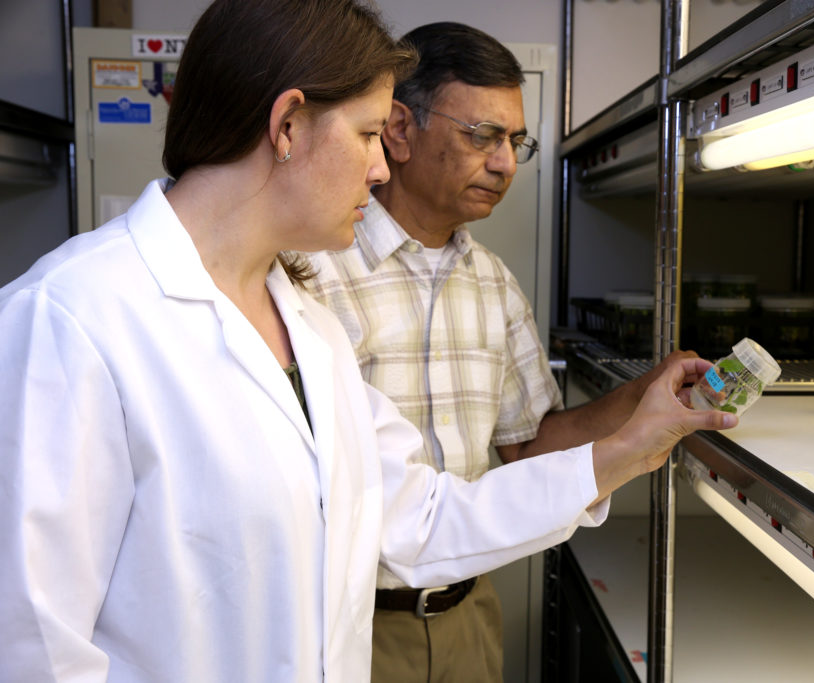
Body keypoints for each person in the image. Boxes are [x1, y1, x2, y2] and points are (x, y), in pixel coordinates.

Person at [0, 1, 737, 682]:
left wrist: (628, 448)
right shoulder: (72, 321)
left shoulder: (307, 330)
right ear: (288, 125)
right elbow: (32, 644)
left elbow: (419, 519)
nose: (382, 166)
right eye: (364, 135)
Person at [305, 21, 699, 682]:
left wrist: (646, 393)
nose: (506, 163)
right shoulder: (314, 271)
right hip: (345, 621)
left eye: (516, 141)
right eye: (482, 136)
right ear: (399, 130)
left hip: (468, 616)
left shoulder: (491, 280)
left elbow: (530, 445)